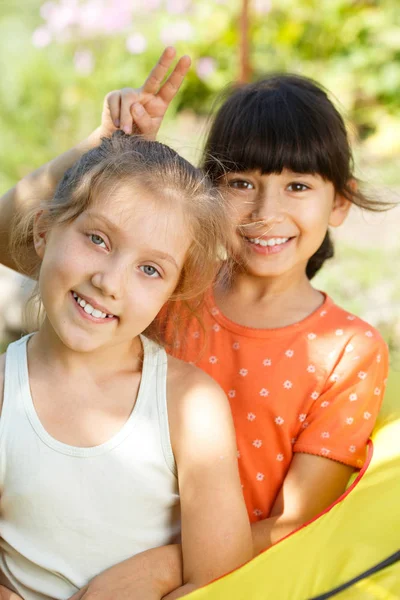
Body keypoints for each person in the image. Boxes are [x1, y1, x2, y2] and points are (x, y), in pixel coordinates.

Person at [0, 48, 390, 597]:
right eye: (240, 183)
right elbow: (15, 238)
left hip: (226, 578)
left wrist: (162, 568)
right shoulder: (169, 289)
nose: (265, 212)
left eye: (297, 186)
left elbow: (298, 522)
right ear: (206, 197)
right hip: (94, 540)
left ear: (340, 202)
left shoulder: (348, 349)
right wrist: (106, 148)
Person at [0, 131, 252, 600]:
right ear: (42, 231)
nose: (109, 281)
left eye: (150, 269)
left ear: (172, 291)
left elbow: (220, 583)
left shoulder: (190, 406)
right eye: (98, 239)